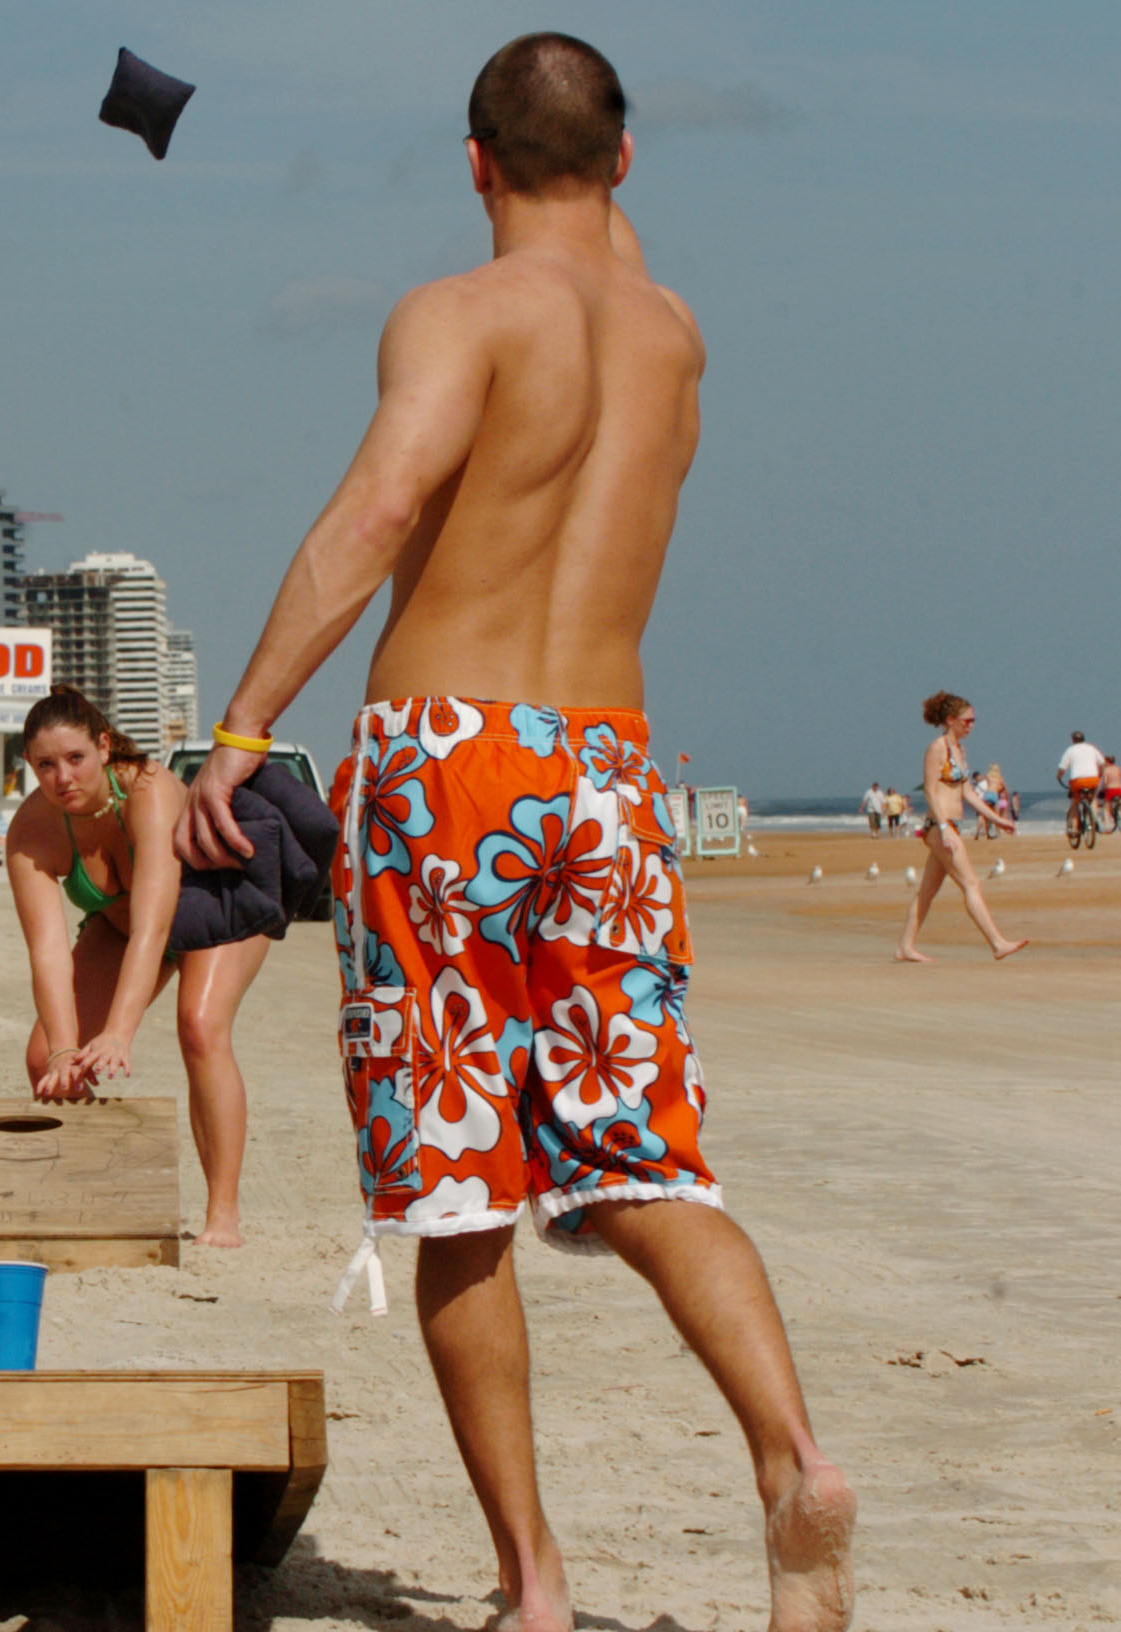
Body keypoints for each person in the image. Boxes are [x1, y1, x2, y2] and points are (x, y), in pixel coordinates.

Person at [174, 35, 853, 1630]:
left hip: (448, 761)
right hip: (605, 770)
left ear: (468, 163)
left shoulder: (456, 316)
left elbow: (378, 511)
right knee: (640, 1153)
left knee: (454, 1186)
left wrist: (244, 725)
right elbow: (603, 239)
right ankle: (792, 1455)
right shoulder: (672, 337)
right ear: (625, 167)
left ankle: (531, 1584)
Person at [5, 686, 276, 1247]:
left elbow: (157, 924)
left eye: (76, 758)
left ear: (104, 747)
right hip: (120, 926)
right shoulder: (31, 832)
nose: (63, 777)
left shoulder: (148, 790)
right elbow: (46, 950)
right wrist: (63, 1046)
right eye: (46, 765)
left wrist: (118, 1033)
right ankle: (96, 1198)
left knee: (200, 1027)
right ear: (30, 767)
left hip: (214, 907)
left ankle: (222, 1215)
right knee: (45, 1058)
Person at [896, 692, 1025, 963]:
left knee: (927, 893)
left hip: (950, 826)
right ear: (951, 720)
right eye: (967, 721)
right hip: (938, 827)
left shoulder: (959, 751)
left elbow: (967, 793)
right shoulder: (937, 748)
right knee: (971, 883)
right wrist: (943, 828)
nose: (972, 725)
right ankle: (997, 943)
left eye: (973, 721)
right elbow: (930, 792)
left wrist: (996, 818)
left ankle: (905, 947)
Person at [1057, 730, 1103, 835]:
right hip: (1093, 779)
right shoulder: (1091, 748)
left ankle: (1074, 828)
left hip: (1078, 781)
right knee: (1093, 799)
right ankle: (1094, 819)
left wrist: (1058, 777)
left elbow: (1062, 768)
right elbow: (1102, 763)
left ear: (1073, 740)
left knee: (1075, 802)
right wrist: (1099, 774)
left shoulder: (1070, 750)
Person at [1100, 755, 1121, 831]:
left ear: (1108, 761)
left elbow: (1105, 782)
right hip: (1119, 789)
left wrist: (1101, 790)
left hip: (1110, 789)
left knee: (1106, 808)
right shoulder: (1118, 768)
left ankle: (1107, 826)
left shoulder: (1106, 770)